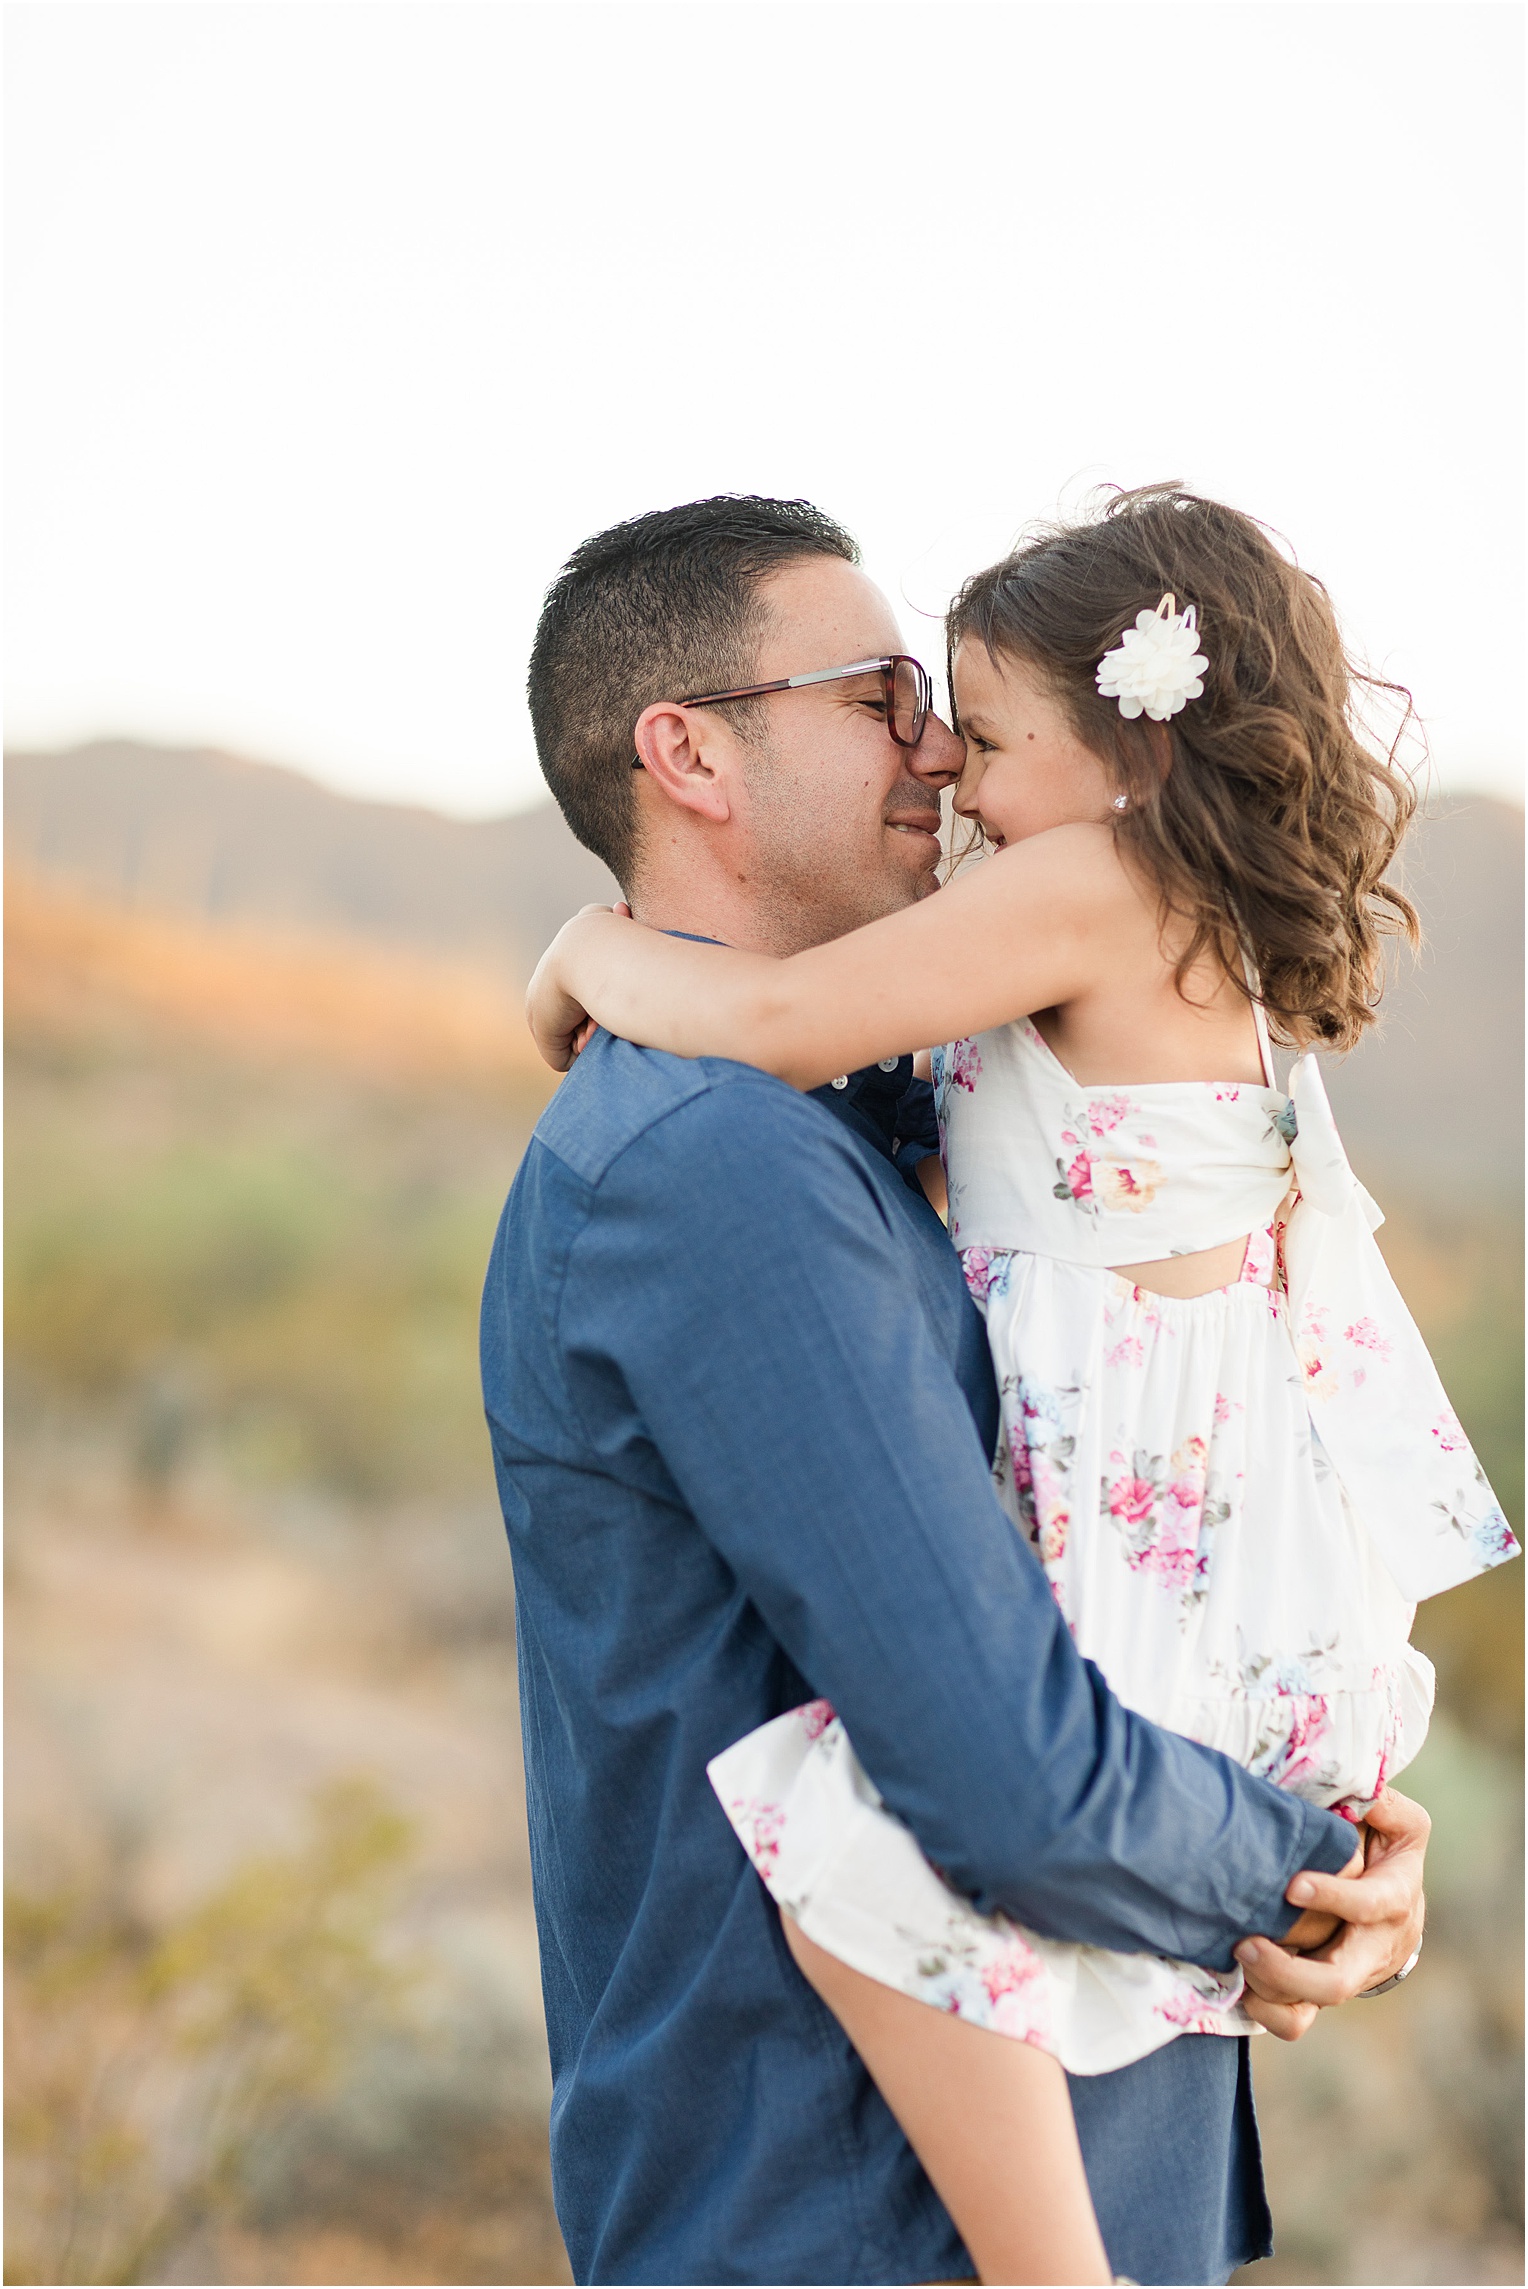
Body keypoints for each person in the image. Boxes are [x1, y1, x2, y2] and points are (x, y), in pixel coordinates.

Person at [485, 494, 1433, 2289]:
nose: (938, 752)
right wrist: (1303, 1864)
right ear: (686, 752)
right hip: (850, 2221)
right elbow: (1020, 1785)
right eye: (881, 696)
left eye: (953, 707)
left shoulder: (867, 1103)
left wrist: (1329, 1882)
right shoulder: (719, 1168)